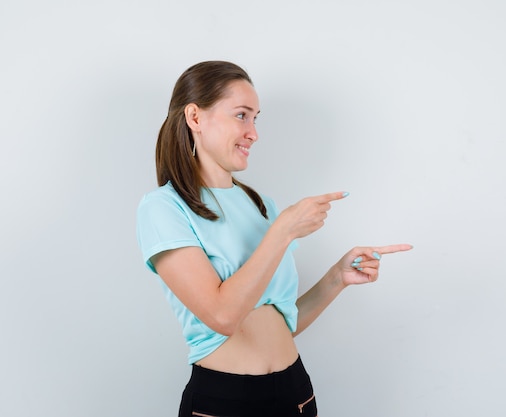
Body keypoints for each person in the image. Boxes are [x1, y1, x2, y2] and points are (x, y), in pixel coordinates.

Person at [136, 61, 412, 417]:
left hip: (296, 392)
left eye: (256, 118)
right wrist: (282, 231)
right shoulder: (163, 208)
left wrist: (336, 278)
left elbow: (282, 322)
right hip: (225, 401)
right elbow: (222, 316)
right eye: (241, 115)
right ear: (195, 117)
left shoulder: (260, 205)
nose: (254, 132)